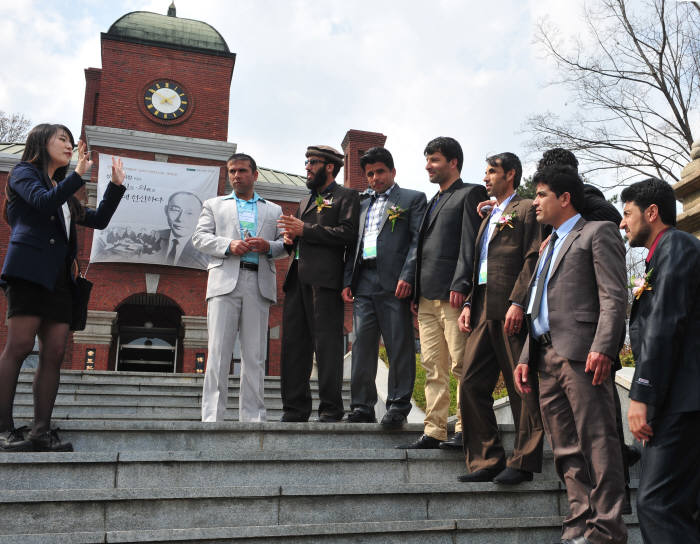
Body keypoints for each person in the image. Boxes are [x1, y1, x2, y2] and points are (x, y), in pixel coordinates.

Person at [514, 164, 628, 544]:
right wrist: (526, 356)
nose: (535, 204)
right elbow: (537, 306)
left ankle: (607, 528)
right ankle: (578, 525)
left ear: (565, 198)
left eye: (542, 194)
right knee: (564, 449)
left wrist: (603, 347)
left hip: (583, 355)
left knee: (598, 441)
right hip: (545, 356)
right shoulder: (547, 245)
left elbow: (614, 297)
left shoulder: (597, 232)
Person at [0, 123, 126, 452]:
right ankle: (2, 429)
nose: (69, 145)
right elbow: (41, 202)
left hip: (59, 281)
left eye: (71, 141)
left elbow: (97, 220)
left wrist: (114, 187)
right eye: (62, 139)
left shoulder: (64, 192)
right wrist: (79, 175)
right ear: (41, 142)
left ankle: (40, 433)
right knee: (20, 346)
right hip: (28, 272)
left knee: (54, 352)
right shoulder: (24, 173)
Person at [456, 152, 544, 484]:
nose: (486, 177)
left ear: (511, 174)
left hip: (509, 307)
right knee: (470, 383)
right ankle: (486, 459)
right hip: (480, 307)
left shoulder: (525, 209)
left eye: (492, 171)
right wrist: (467, 303)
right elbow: (478, 264)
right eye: (486, 171)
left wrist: (519, 302)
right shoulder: (487, 217)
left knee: (520, 384)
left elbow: (532, 256)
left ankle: (523, 460)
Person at [620, 178, 700, 544]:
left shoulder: (677, 246)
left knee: (657, 504)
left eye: (627, 214)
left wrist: (643, 394)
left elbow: (666, 322)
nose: (623, 224)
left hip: (682, 401)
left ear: (651, 213)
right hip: (678, 399)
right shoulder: (664, 253)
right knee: (680, 506)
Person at [397, 137, 487, 449]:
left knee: (461, 365)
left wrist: (461, 285)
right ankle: (434, 430)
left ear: (453, 162)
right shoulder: (432, 200)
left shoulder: (470, 193)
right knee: (433, 368)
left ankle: (465, 427)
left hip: (453, 295)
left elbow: (470, 244)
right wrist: (415, 290)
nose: (428, 166)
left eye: (434, 160)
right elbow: (420, 249)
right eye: (427, 160)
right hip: (425, 297)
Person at [192, 153, 286, 423]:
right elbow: (199, 238)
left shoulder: (273, 209)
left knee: (255, 356)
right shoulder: (214, 204)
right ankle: (212, 417)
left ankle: (253, 417)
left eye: (242, 170)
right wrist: (228, 245)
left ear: (255, 175)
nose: (236, 175)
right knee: (218, 353)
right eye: (232, 171)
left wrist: (268, 246)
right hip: (224, 282)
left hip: (258, 282)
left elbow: (284, 246)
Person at [341, 147, 426, 426]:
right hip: (363, 281)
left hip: (394, 282)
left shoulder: (412, 199)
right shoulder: (361, 202)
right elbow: (352, 243)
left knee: (398, 345)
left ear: (392, 172)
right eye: (370, 174)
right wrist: (347, 280)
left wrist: (409, 275)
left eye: (380, 172)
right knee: (362, 345)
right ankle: (362, 407)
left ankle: (398, 407)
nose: (375, 178)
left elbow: (417, 241)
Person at [277, 145, 360, 422]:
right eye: (306, 162)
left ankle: (330, 409)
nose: (307, 167)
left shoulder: (346, 196)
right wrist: (292, 240)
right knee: (293, 345)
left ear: (330, 167)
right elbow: (303, 238)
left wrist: (305, 230)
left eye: (313, 162)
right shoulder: (304, 201)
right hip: (296, 279)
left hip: (325, 281)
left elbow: (347, 234)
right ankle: (295, 409)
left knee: (327, 345)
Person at [156, 191, 207, 268]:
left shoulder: (205, 247)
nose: (180, 219)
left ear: (200, 216)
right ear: (166, 210)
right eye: (176, 210)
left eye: (189, 213)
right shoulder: (154, 237)